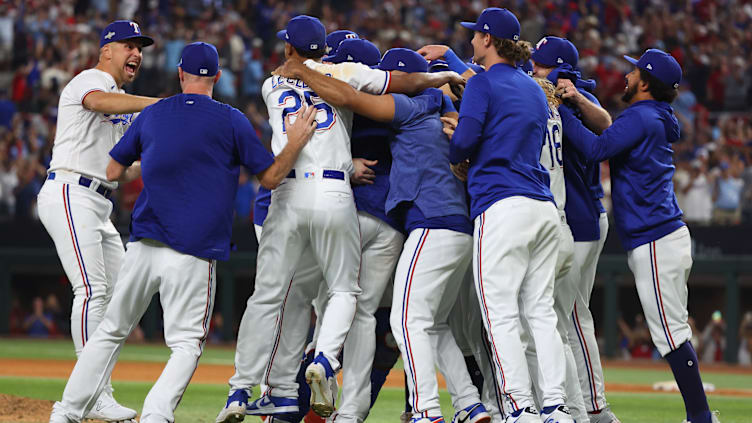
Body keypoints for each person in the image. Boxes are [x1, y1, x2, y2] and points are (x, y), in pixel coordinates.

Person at [48, 41, 316, 423]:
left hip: (143, 241)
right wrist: (294, 144)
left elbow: (112, 171)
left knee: (110, 331)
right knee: (186, 344)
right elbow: (271, 178)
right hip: (194, 248)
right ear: (218, 77)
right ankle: (156, 415)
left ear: (180, 74)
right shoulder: (232, 119)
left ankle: (66, 412)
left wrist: (158, 158)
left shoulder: (154, 114)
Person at [217, 15, 464, 422]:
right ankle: (328, 361)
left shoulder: (271, 83)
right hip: (339, 194)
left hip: (289, 193)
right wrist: (442, 78)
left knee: (273, 297)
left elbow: (316, 84)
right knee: (348, 295)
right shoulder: (346, 74)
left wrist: (302, 71)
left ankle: (247, 388)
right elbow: (399, 83)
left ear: (290, 48)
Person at [277, 46, 489, 423]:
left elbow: (350, 96)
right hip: (432, 226)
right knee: (421, 322)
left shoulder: (408, 108)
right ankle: (468, 404)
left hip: (408, 219)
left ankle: (414, 406)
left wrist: (301, 71)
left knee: (384, 317)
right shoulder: (445, 114)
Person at [559, 48, 720, 423]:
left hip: (656, 239)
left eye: (634, 71)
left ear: (645, 83)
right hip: (659, 235)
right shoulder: (654, 115)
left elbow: (598, 148)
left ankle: (699, 416)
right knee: (670, 330)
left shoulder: (644, 117)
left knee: (669, 333)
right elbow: (610, 133)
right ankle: (699, 415)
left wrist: (562, 112)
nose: (627, 76)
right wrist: (578, 99)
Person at [449, 8, 573, 423]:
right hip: (543, 207)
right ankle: (556, 406)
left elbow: (465, 140)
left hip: (502, 203)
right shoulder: (535, 88)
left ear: (487, 39)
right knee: (540, 312)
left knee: (499, 312)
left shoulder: (483, 82)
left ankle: (520, 405)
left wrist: (455, 146)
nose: (471, 41)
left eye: (475, 36)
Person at [36, 20, 159, 422]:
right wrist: (153, 104)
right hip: (70, 191)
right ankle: (90, 394)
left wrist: (155, 163)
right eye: (129, 45)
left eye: (140, 47)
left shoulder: (121, 100)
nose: (137, 53)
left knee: (123, 297)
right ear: (107, 49)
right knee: (91, 289)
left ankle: (98, 389)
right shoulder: (91, 79)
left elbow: (116, 171)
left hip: (98, 200)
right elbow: (97, 102)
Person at [530, 36, 619, 423]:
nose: (533, 68)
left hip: (580, 220)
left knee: (571, 320)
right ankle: (585, 406)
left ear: (559, 67)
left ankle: (592, 409)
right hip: (579, 218)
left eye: (540, 64)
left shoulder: (572, 99)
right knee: (569, 318)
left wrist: (574, 100)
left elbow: (604, 129)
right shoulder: (563, 95)